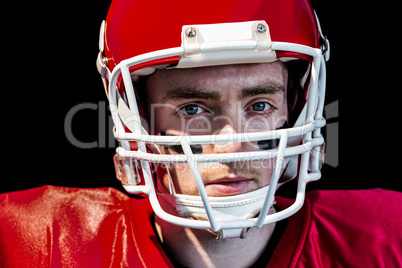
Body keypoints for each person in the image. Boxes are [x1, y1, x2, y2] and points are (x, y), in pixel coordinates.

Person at [1, 0, 401, 267]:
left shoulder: (386, 238)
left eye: (260, 105)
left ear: (293, 107)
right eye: (193, 109)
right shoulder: (35, 241)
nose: (230, 145)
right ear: (137, 113)